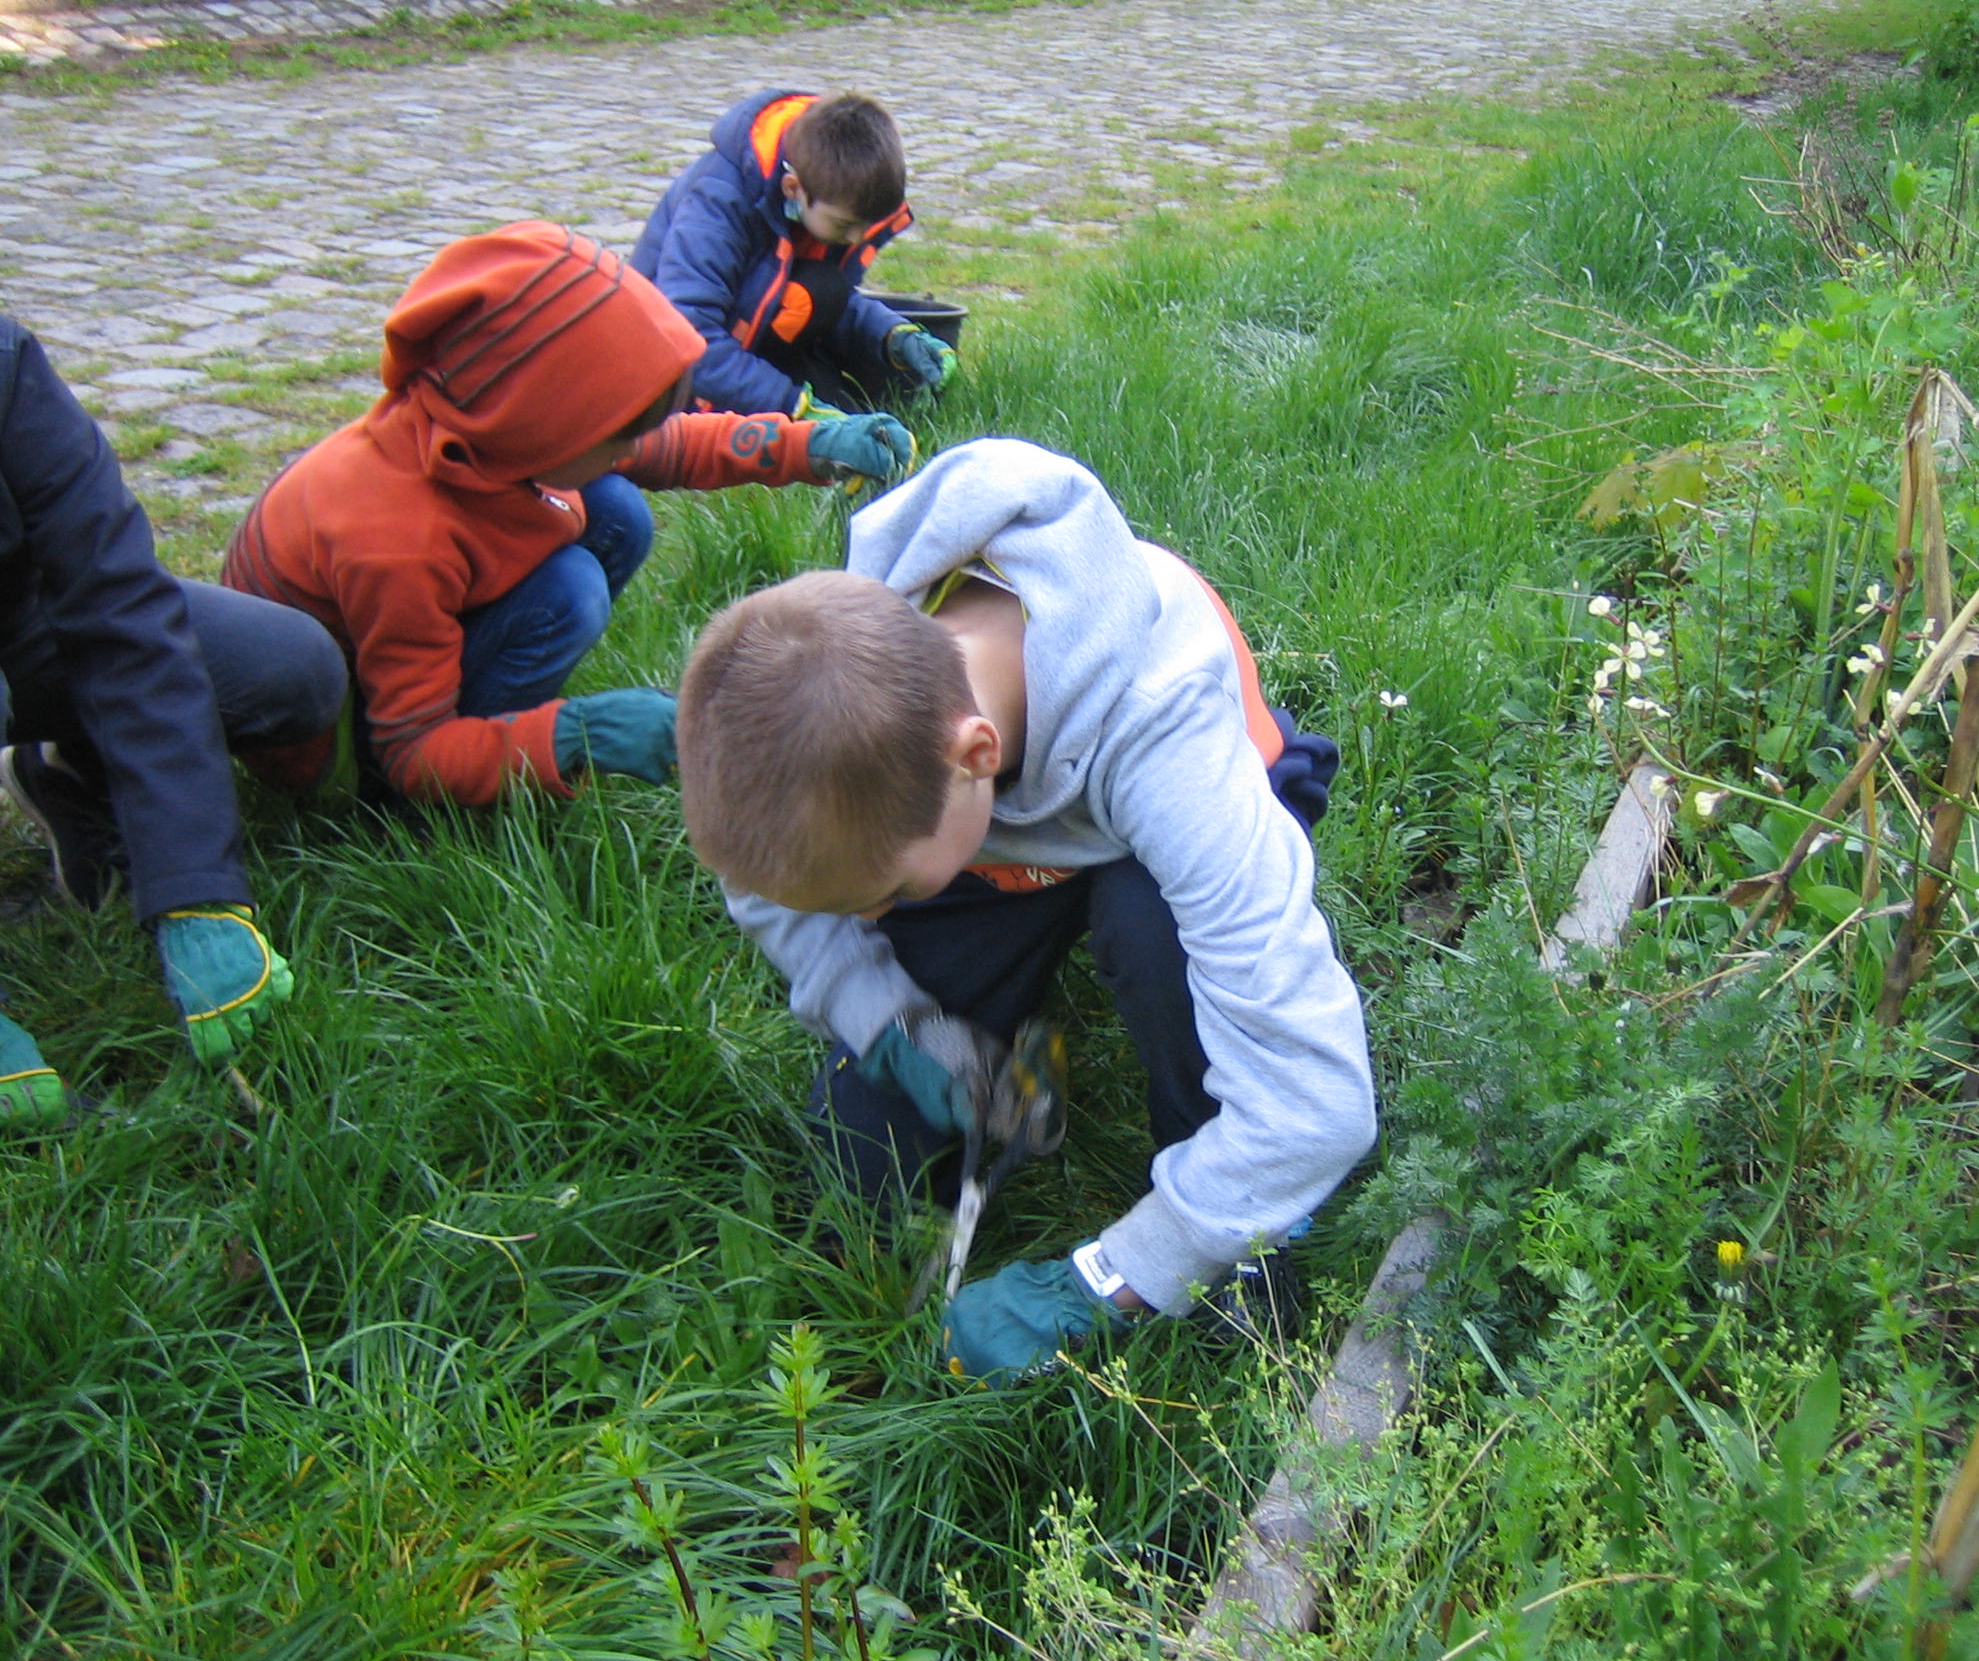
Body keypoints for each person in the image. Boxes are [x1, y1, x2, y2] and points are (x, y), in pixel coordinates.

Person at [676, 438, 1375, 1385]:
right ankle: (967, 1014)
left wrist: (1111, 1279)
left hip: (1160, 812)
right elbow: (763, 881)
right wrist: (893, 1026)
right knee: (863, 1158)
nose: (870, 918)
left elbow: (1319, 1106)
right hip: (991, 838)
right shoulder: (847, 691)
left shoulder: (1165, 732)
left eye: (885, 899)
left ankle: (1235, 1229)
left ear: (973, 757)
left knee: (1154, 935)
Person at [221, 221, 916, 807]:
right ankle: (491, 748)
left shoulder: (490, 425)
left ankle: (502, 718)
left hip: (400, 640)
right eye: (619, 434)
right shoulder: (397, 540)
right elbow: (413, 752)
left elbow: (661, 447)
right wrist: (573, 735)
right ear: (545, 432)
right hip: (344, 750)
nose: (639, 446)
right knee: (572, 587)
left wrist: (807, 444)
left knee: (613, 508)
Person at [1, 315, 346, 1129]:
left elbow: (119, 601)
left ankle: (81, 770)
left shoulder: (5, 363)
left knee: (290, 668)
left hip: (20, 620)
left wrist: (196, 889)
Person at [631, 89, 958, 418]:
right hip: (666, 381)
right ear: (793, 188)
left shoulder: (819, 185)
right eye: (846, 224)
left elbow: (815, 298)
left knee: (823, 292)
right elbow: (689, 342)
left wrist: (891, 335)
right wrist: (792, 404)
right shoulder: (717, 205)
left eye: (867, 224)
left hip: (748, 340)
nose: (858, 237)